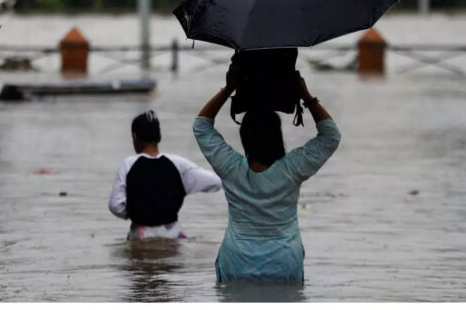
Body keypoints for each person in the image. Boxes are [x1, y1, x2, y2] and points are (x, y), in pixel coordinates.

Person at [193, 67, 341, 283]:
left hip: (237, 261)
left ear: (245, 138)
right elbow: (331, 136)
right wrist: (306, 96)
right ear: (277, 137)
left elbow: (201, 127)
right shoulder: (293, 168)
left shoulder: (231, 168)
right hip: (284, 262)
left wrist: (228, 89)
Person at [109, 110, 222, 240]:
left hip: (140, 235)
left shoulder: (128, 164)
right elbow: (216, 182)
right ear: (160, 136)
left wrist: (135, 211)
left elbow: (115, 205)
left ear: (135, 136)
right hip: (172, 234)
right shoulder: (179, 164)